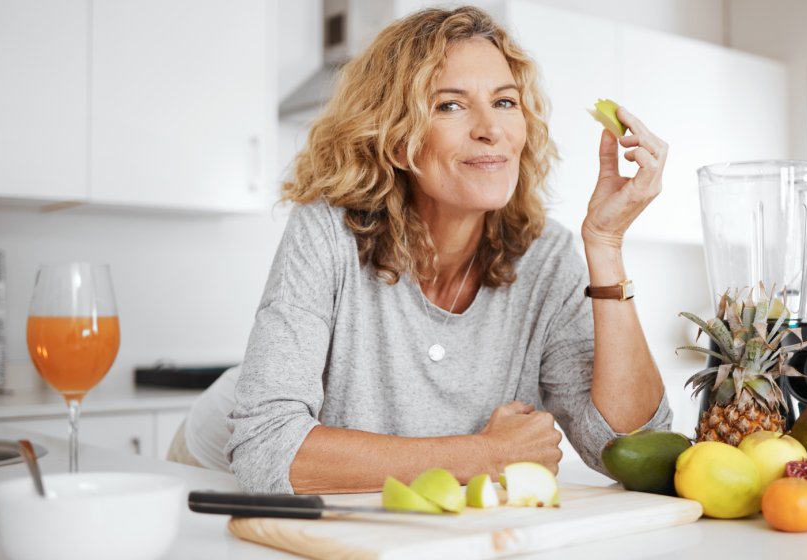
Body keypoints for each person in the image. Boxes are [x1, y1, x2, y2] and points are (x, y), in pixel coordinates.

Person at [222, 5, 670, 494]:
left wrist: (605, 246)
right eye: (450, 106)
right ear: (397, 141)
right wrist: (485, 455)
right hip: (209, 465)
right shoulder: (327, 231)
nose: (490, 128)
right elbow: (264, 447)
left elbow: (636, 450)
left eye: (504, 102)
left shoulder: (546, 258)